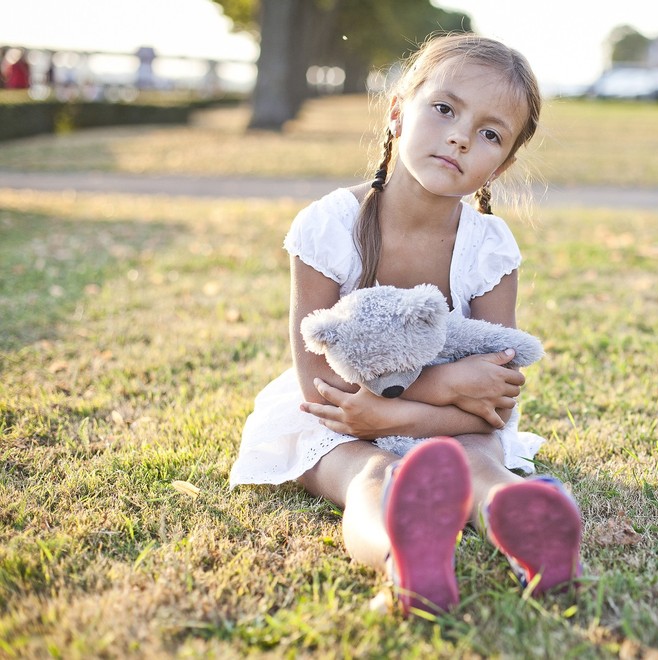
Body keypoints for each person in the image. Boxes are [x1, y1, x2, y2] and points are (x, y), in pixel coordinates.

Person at [229, 33, 582, 616]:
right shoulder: (329, 226)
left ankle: (523, 521)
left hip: (451, 425)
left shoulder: (488, 248)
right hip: (337, 420)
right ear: (397, 111)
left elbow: (495, 401)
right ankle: (405, 561)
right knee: (367, 472)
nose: (461, 136)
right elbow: (320, 384)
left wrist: (401, 414)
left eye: (490, 133)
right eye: (444, 109)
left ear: (503, 163)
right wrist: (439, 388)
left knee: (477, 457)